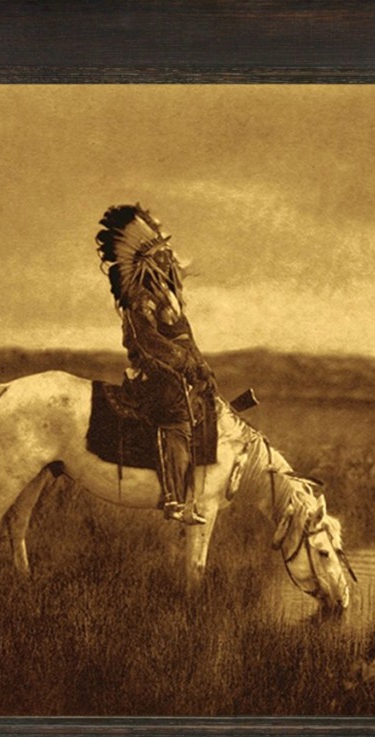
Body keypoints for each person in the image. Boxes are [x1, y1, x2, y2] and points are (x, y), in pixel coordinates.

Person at [96, 204, 216, 525]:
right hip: (152, 375)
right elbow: (146, 343)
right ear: (149, 261)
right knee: (176, 417)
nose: (170, 259)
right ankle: (174, 499)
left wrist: (201, 366)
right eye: (162, 255)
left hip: (176, 371)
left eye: (168, 253)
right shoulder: (140, 299)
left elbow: (185, 337)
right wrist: (185, 364)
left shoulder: (168, 296)